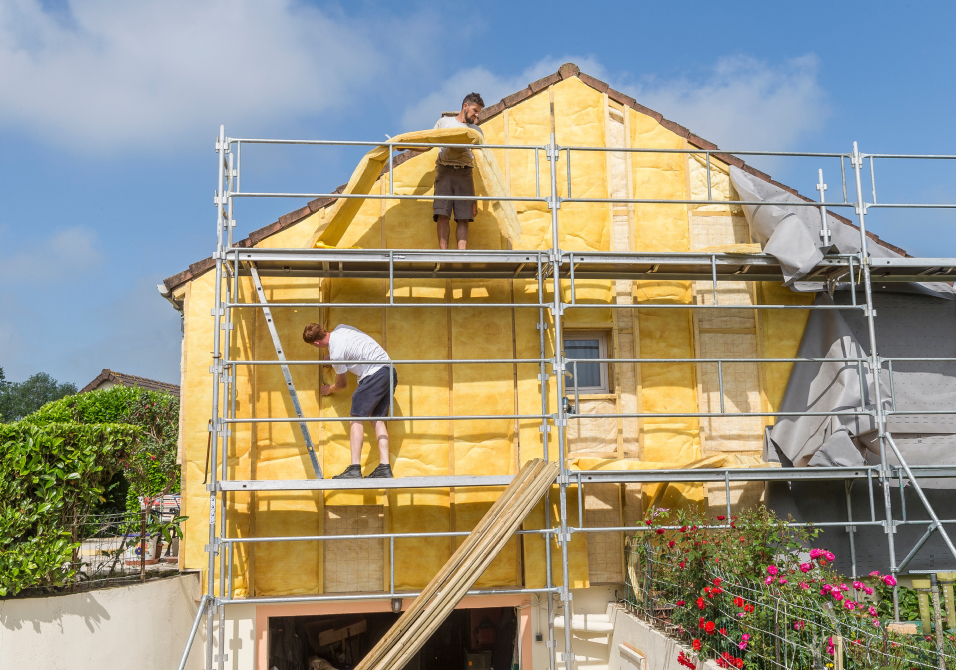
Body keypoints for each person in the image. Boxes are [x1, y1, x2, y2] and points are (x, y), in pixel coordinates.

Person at [302, 323, 396, 479]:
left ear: (316, 343)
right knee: (378, 420)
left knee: (356, 419)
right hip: (389, 371)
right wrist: (331, 359)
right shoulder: (342, 328)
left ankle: (354, 468)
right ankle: (384, 468)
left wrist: (328, 389)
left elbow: (342, 384)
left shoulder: (337, 354)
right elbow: (354, 347)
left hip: (373, 375)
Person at [433, 92, 484, 250]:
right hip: (444, 171)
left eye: (479, 112)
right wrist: (407, 146)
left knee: (464, 215)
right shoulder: (444, 123)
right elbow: (428, 143)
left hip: (465, 172)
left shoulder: (476, 130)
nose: (477, 115)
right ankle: (444, 253)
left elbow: (483, 154)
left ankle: (462, 253)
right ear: (465, 106)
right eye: (475, 110)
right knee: (442, 213)